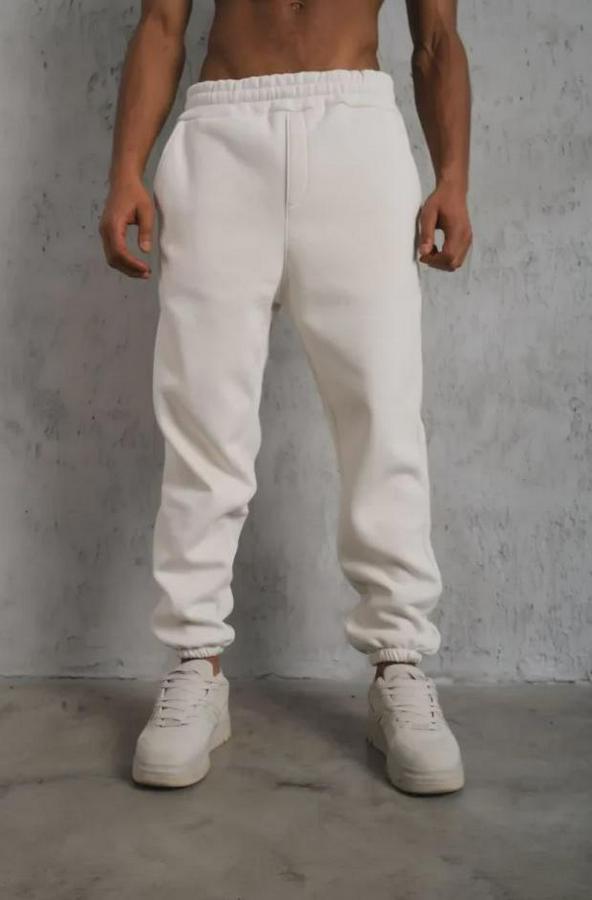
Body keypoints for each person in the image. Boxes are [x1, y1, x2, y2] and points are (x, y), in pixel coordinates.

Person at [100, 0, 472, 795]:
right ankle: (196, 663)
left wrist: (453, 177)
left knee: (382, 412)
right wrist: (126, 168)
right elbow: (163, 21)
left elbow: (436, 36)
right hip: (221, 133)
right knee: (202, 414)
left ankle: (399, 666)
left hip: (356, 129)